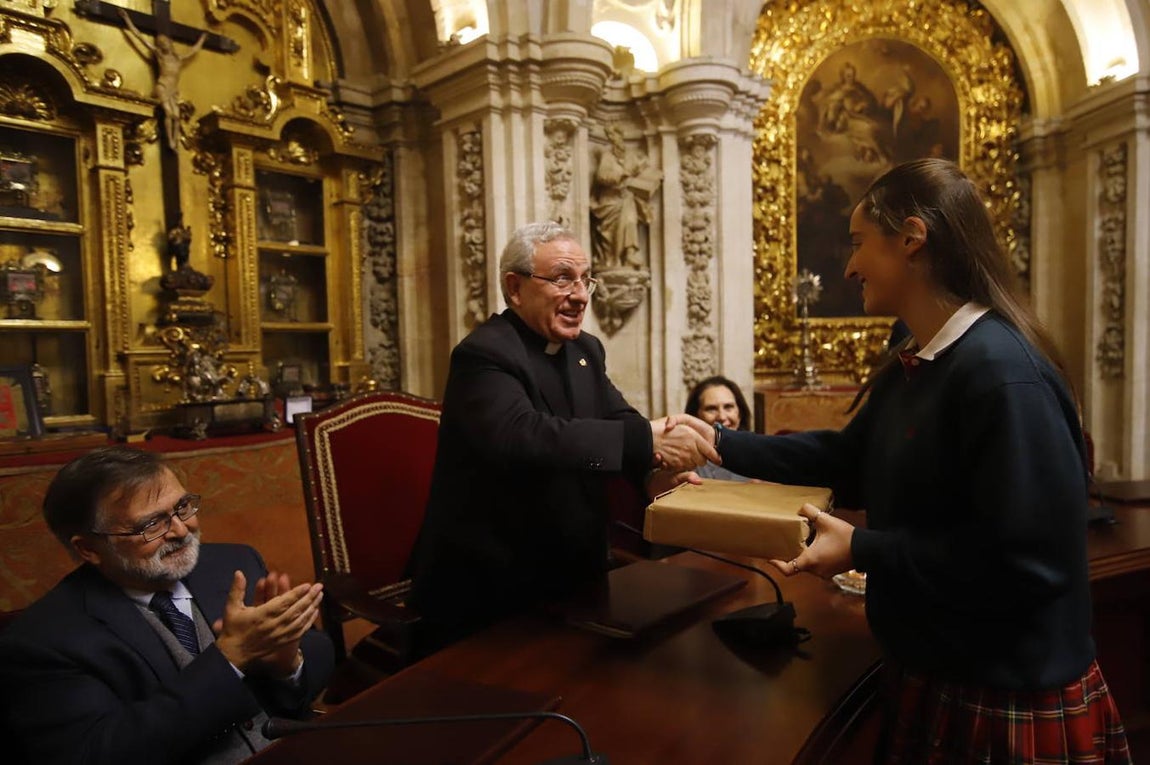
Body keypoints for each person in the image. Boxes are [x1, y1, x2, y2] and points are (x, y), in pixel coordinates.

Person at [668, 159, 1131, 763]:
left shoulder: (1001, 372)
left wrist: (863, 549)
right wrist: (721, 442)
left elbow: (1025, 562)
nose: (849, 265)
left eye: (859, 243)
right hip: (942, 671)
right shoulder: (917, 352)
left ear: (912, 238)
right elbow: (850, 457)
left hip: (1004, 691)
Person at [407, 221, 717, 648]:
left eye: (586, 279)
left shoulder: (585, 350)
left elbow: (618, 418)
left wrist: (651, 472)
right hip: (492, 589)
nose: (581, 295)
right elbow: (524, 436)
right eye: (562, 279)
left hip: (573, 573)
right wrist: (647, 439)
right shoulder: (484, 354)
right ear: (515, 288)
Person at [0, 446, 334, 765]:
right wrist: (230, 659)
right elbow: (99, 756)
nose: (180, 530)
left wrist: (287, 665)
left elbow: (316, 656)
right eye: (151, 524)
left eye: (183, 507)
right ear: (88, 548)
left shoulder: (233, 561)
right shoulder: (43, 642)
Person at [120, 9, 207, 151]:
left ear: (169, 44)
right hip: (162, 85)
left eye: (165, 43)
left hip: (173, 89)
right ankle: (171, 141)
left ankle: (174, 140)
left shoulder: (178, 58)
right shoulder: (160, 56)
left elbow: (194, 50)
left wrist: (202, 38)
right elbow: (139, 37)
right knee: (169, 112)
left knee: (177, 116)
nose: (163, 45)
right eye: (161, 43)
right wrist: (127, 20)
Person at [684, 375, 751, 481]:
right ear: (695, 417)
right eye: (711, 409)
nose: (722, 417)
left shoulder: (756, 455)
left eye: (728, 407)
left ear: (740, 414)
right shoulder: (685, 462)